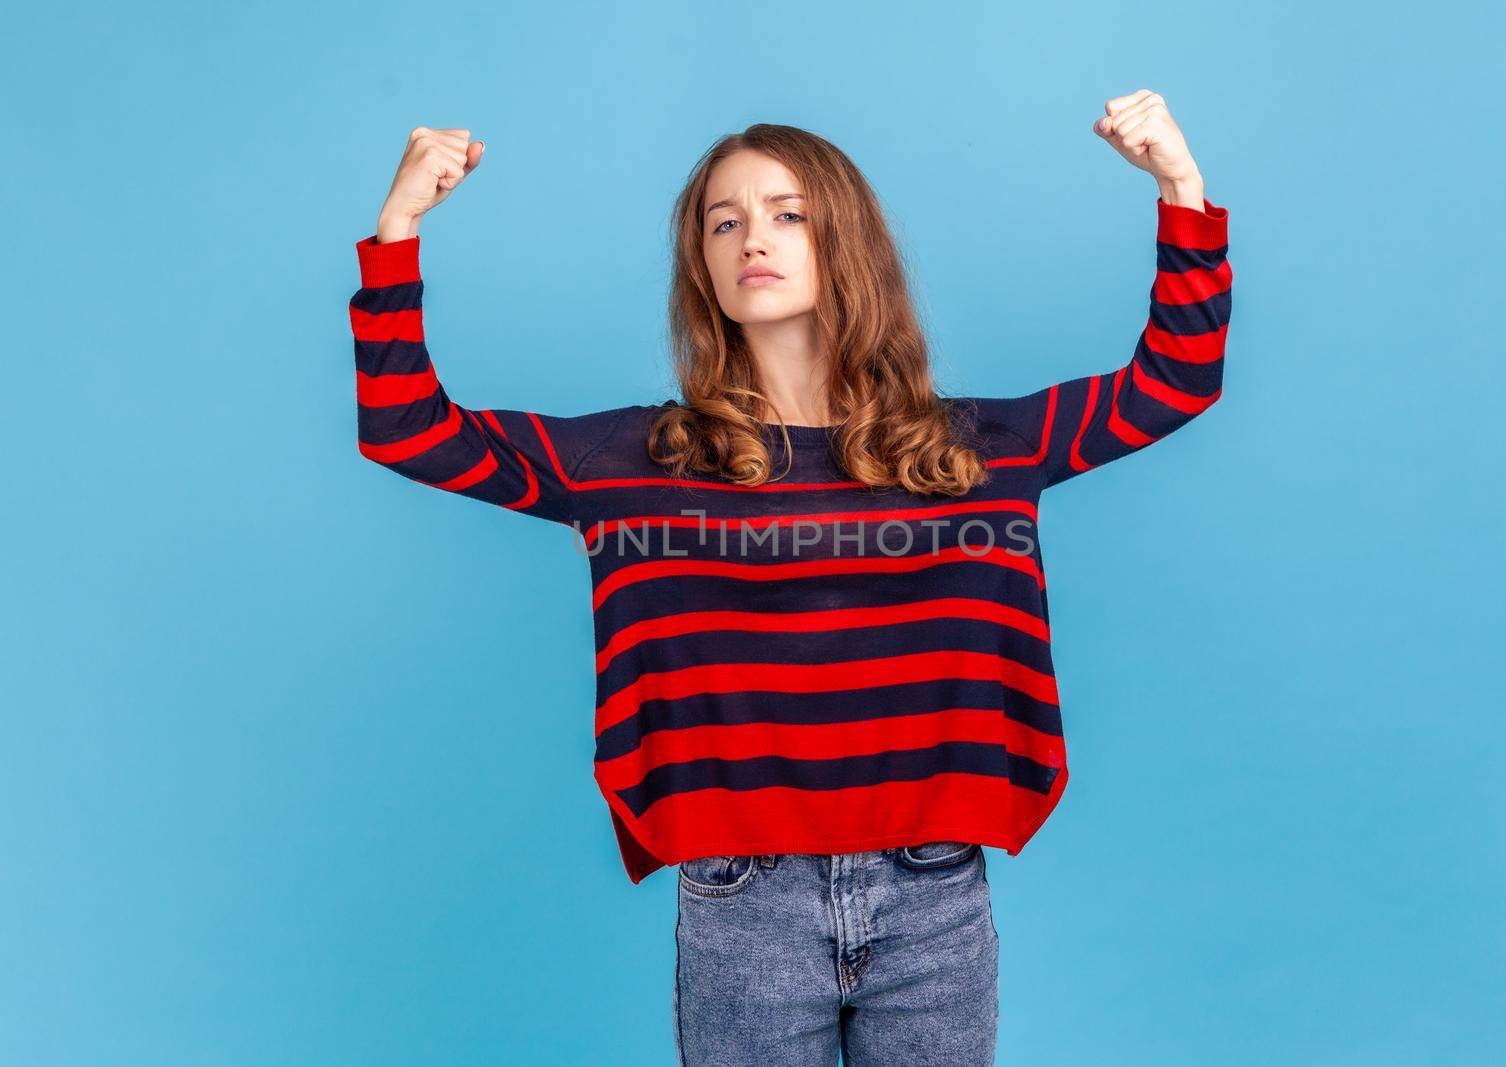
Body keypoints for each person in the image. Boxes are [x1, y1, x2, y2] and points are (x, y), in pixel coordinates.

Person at [347, 91, 1231, 1065]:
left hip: (932, 886)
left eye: (785, 213)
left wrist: (1179, 187)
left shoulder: (971, 447)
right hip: (741, 900)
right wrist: (399, 229)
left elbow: (1173, 380)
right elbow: (407, 426)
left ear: (842, 239)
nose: (750, 239)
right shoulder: (637, 459)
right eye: (722, 222)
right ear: (703, 266)